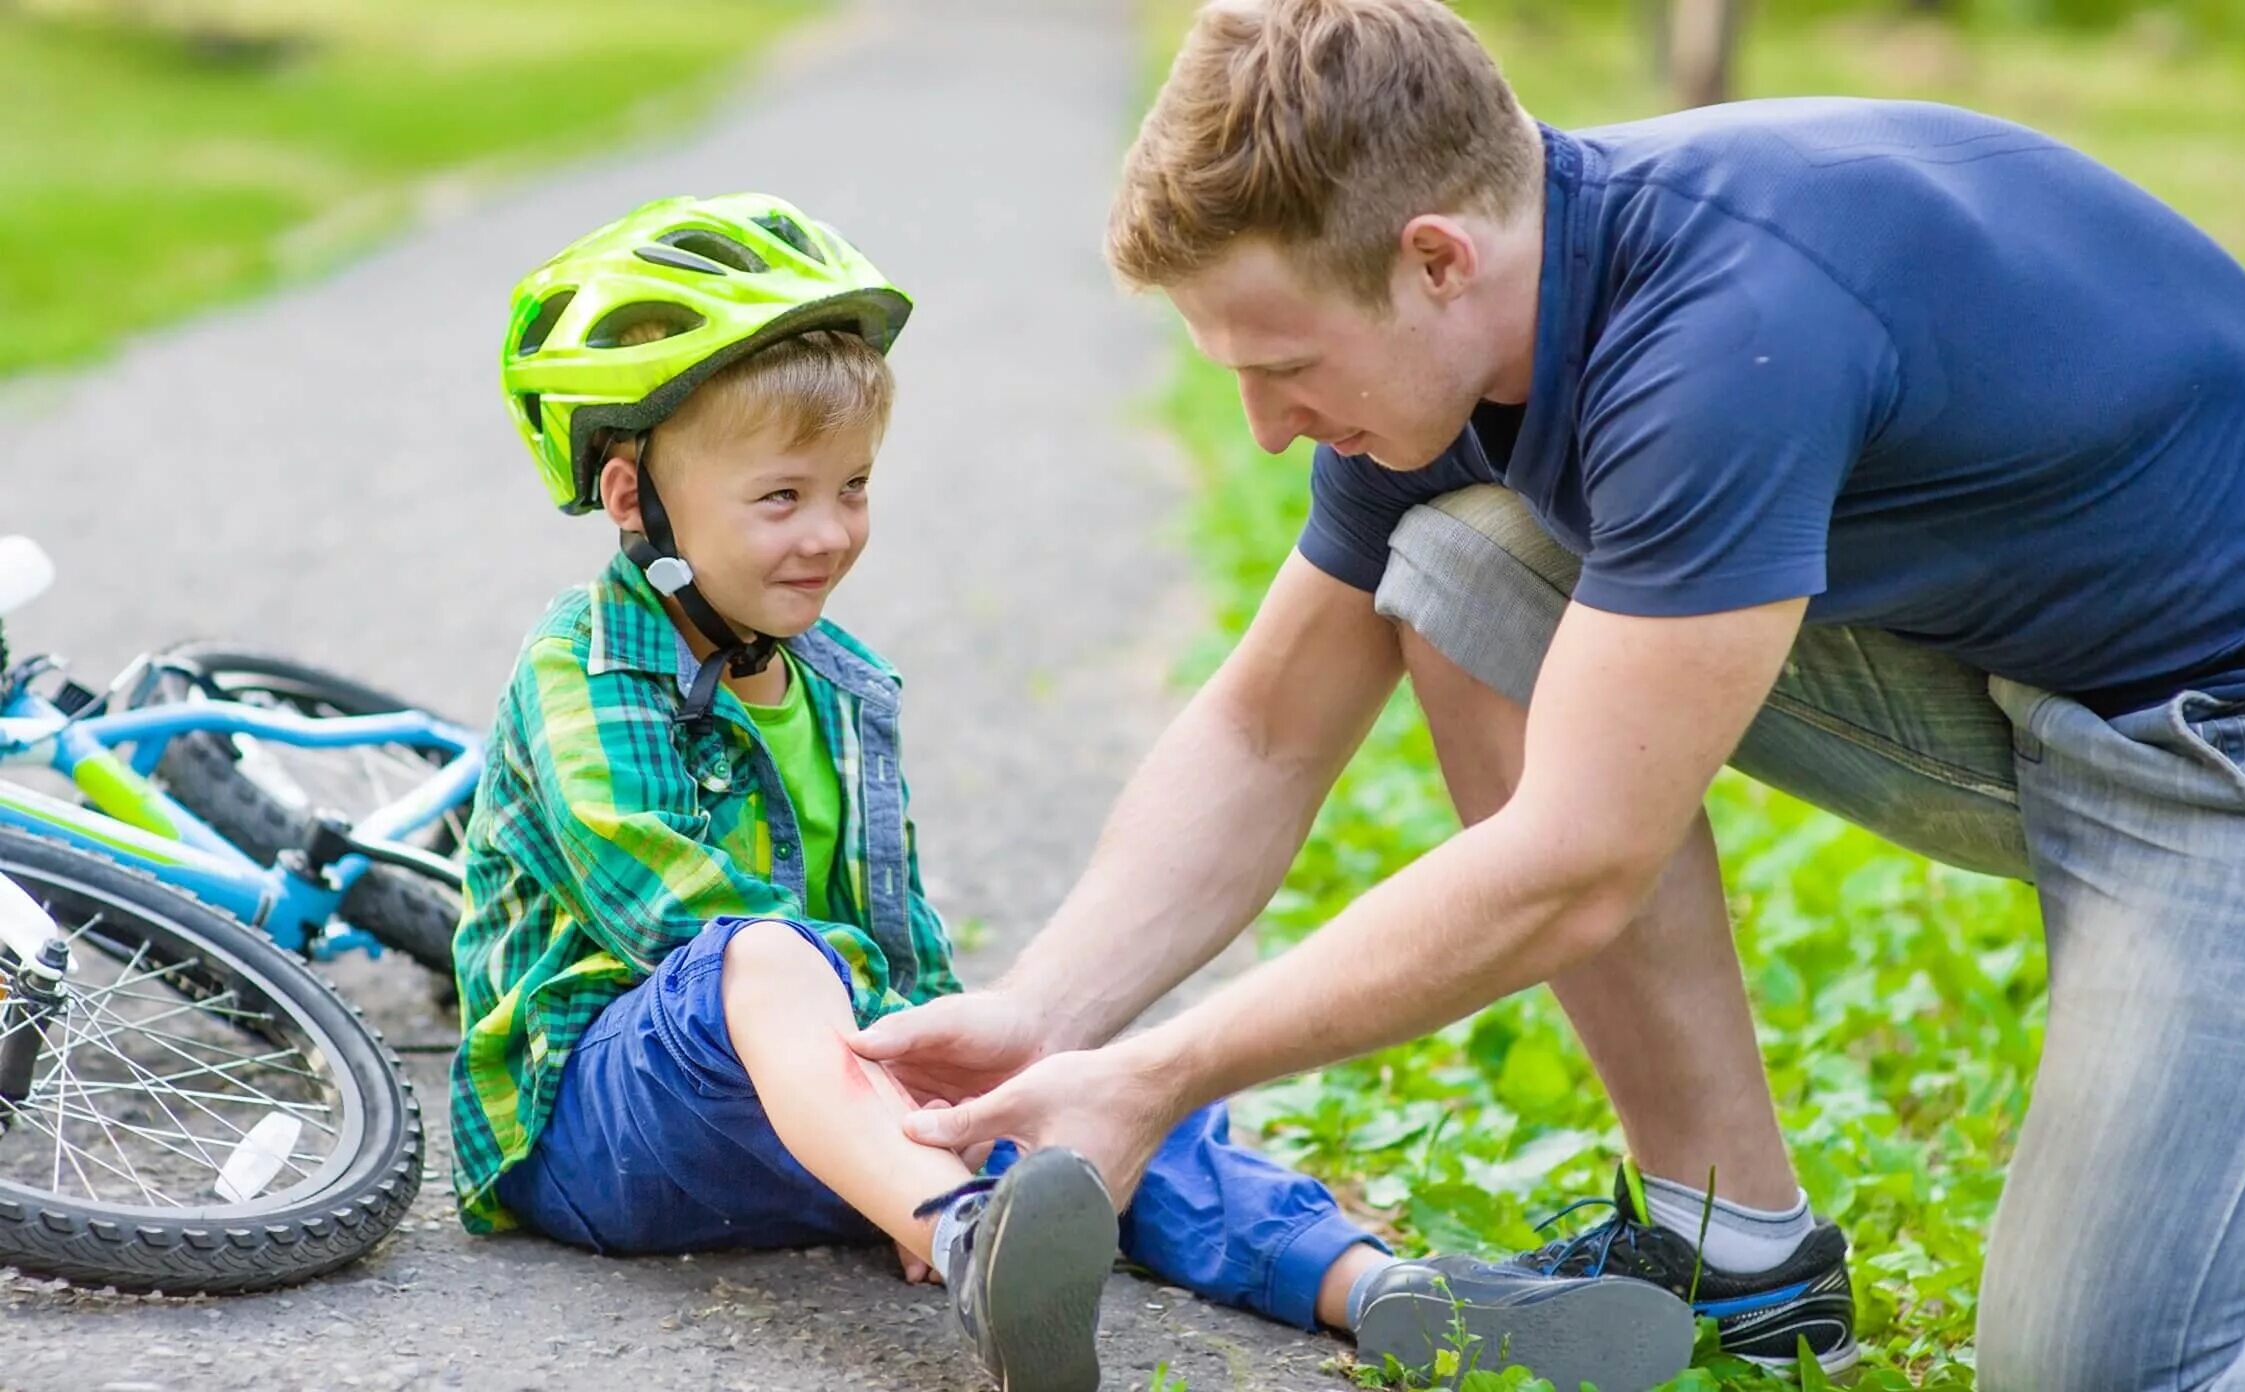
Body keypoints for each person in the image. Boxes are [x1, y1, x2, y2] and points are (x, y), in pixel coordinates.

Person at [850, 1, 2245, 1386]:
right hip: (2030, 673)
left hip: (2241, 739)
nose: (1271, 428)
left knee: (2105, 1370)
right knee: (1471, 566)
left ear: (1434, 260)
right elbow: (1267, 727)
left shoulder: (1720, 333)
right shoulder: (1469, 318)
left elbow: (1577, 863)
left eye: (1286, 366)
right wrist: (1050, 1013)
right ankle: (1732, 1247)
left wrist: (1155, 1077)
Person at [449, 192, 1695, 1392]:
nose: (828, 534)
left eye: (853, 488)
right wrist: (912, 1104)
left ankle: (1378, 1291)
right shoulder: (586, 663)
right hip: (600, 1126)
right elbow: (666, 904)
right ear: (633, 498)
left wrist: (969, 1082)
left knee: (1088, 1086)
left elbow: (894, 932)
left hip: (826, 1114)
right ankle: (968, 1238)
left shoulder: (838, 683)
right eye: (779, 498)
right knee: (759, 959)